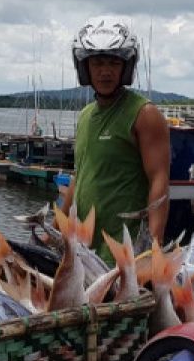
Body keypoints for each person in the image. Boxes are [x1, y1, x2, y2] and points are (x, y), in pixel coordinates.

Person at [66, 16, 170, 261]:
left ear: (126, 67)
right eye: (97, 63)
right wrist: (57, 227)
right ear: (85, 68)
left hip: (124, 255)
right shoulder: (84, 116)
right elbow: (79, 176)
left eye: (113, 63)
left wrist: (152, 248)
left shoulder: (144, 114)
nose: (105, 71)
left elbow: (159, 180)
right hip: (84, 251)